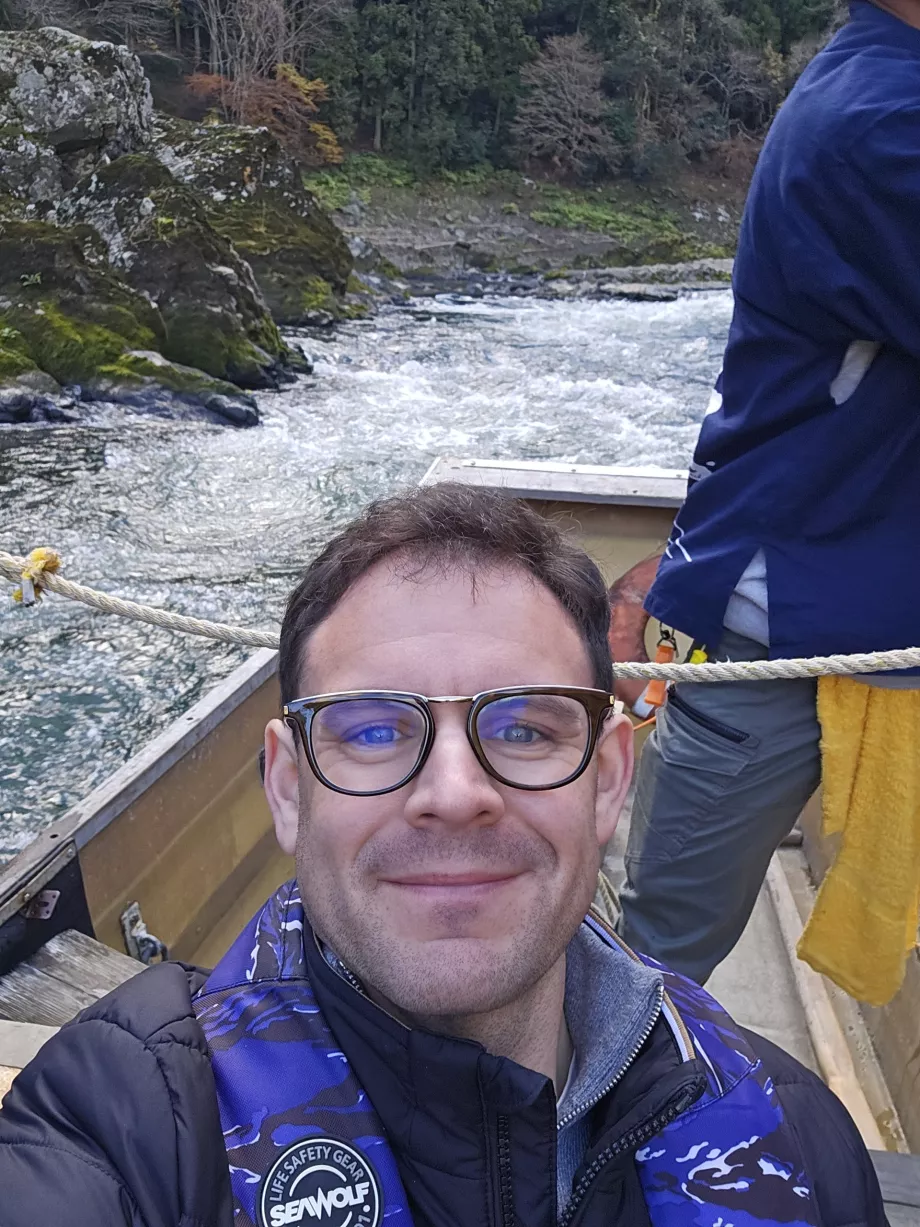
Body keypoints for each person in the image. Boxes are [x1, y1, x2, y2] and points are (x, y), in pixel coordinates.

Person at [0, 484, 884, 1226]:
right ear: (286, 788)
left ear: (609, 779)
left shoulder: (799, 1134)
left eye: (527, 727)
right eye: (375, 730)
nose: (456, 792)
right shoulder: (123, 1123)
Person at [609, 0, 920, 986]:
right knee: (658, 952)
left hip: (851, 587)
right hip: (788, 610)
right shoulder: (879, 124)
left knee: (662, 938)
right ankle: (597, 1122)